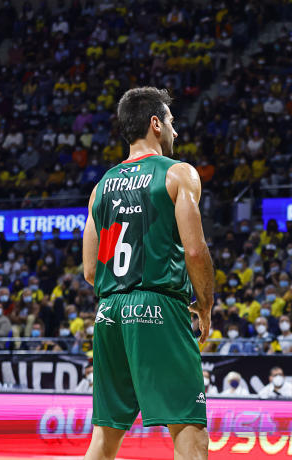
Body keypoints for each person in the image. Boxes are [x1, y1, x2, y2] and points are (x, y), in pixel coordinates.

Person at [81, 87, 214, 460]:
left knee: (105, 437)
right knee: (190, 430)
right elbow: (194, 250)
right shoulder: (177, 174)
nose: (176, 131)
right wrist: (205, 305)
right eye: (171, 121)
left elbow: (91, 270)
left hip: (109, 312)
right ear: (156, 123)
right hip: (157, 306)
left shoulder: (101, 188)